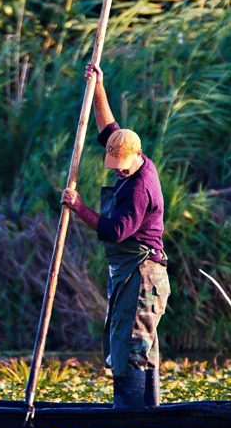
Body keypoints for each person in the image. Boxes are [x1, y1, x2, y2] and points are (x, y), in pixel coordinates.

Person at [61, 62, 171, 409]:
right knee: (133, 341)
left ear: (137, 157)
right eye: (116, 163)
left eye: (123, 165)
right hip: (130, 272)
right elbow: (107, 126)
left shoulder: (141, 188)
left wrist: (78, 207)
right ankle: (145, 410)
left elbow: (114, 230)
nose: (119, 169)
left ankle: (134, 414)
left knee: (133, 344)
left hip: (143, 274)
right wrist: (98, 87)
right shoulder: (127, 148)